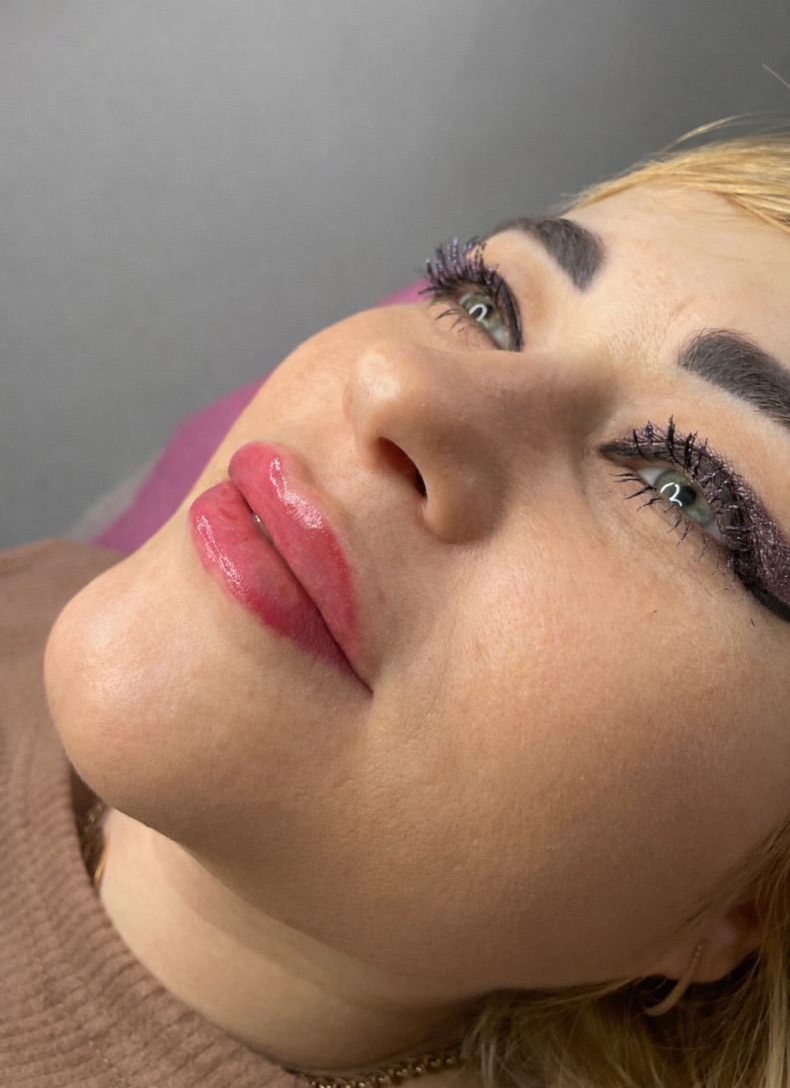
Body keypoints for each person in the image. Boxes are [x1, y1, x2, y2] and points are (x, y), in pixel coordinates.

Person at [3, 117, 790, 1088]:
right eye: (485, 303)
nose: (400, 383)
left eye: (688, 492)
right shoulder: (35, 587)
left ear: (737, 913)